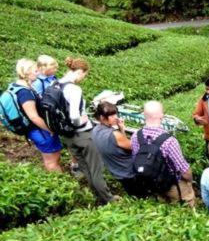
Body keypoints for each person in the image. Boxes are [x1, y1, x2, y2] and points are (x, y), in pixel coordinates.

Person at [58, 57, 117, 203]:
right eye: (84, 75)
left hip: (67, 135)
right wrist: (80, 121)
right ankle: (109, 199)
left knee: (85, 168)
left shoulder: (56, 84)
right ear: (79, 72)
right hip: (82, 134)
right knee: (96, 169)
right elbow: (74, 115)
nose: (83, 79)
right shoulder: (74, 89)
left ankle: (98, 196)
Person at [131, 100, 195, 207]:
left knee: (163, 207)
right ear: (161, 116)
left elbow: (135, 159)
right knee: (186, 205)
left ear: (144, 115)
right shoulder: (169, 141)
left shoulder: (135, 136)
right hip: (173, 185)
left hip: (151, 183)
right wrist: (190, 181)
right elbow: (184, 170)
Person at [11, 58, 63, 172]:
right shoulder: (24, 93)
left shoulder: (21, 86)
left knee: (54, 156)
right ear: (26, 73)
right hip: (39, 130)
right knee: (51, 161)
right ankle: (58, 184)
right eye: (35, 71)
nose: (38, 73)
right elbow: (33, 117)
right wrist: (49, 129)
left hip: (40, 130)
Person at [34, 55, 81, 175]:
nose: (56, 69)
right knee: (53, 151)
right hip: (49, 118)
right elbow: (39, 103)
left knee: (70, 138)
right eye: (53, 67)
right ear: (43, 68)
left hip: (59, 115)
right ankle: (58, 177)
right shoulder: (38, 83)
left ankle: (74, 165)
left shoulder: (53, 78)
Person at [92, 100, 144, 197]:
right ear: (102, 117)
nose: (115, 117)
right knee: (143, 195)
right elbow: (134, 147)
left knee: (134, 196)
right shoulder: (114, 135)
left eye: (115, 114)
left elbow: (119, 144)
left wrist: (121, 129)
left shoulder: (95, 130)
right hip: (130, 172)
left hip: (117, 171)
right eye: (111, 116)